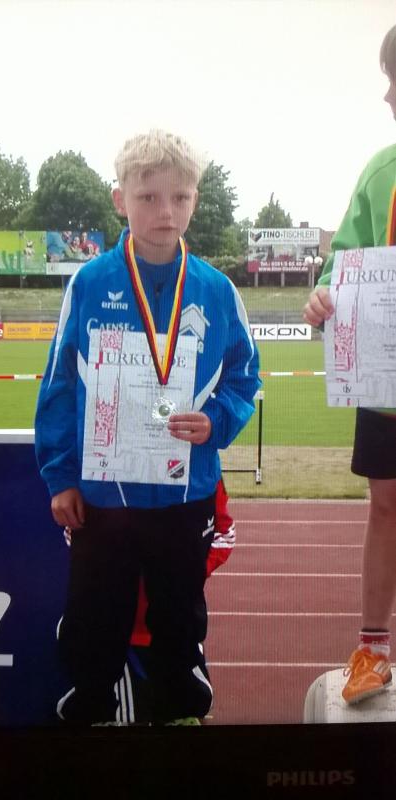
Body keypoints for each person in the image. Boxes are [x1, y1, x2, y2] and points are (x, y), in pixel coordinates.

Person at [35, 129, 260, 725]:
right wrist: (61, 477)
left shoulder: (216, 290)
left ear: (195, 200)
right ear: (120, 200)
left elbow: (246, 376)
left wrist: (216, 420)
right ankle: (91, 701)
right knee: (94, 610)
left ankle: (180, 704)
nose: (166, 212)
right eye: (149, 197)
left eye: (180, 197)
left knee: (179, 611)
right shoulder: (89, 284)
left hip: (185, 492)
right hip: (104, 494)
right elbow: (58, 385)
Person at [303, 25, 396, 705]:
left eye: (395, 80)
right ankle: (373, 650)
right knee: (385, 507)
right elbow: (345, 263)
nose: (388, 95)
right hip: (384, 380)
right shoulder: (380, 170)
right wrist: (323, 297)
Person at [61, 477, 236, 723]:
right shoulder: (100, 473)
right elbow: (76, 536)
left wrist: (184, 571)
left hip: (174, 623)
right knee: (115, 709)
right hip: (117, 629)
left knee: (190, 703)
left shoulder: (199, 474)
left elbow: (223, 532)